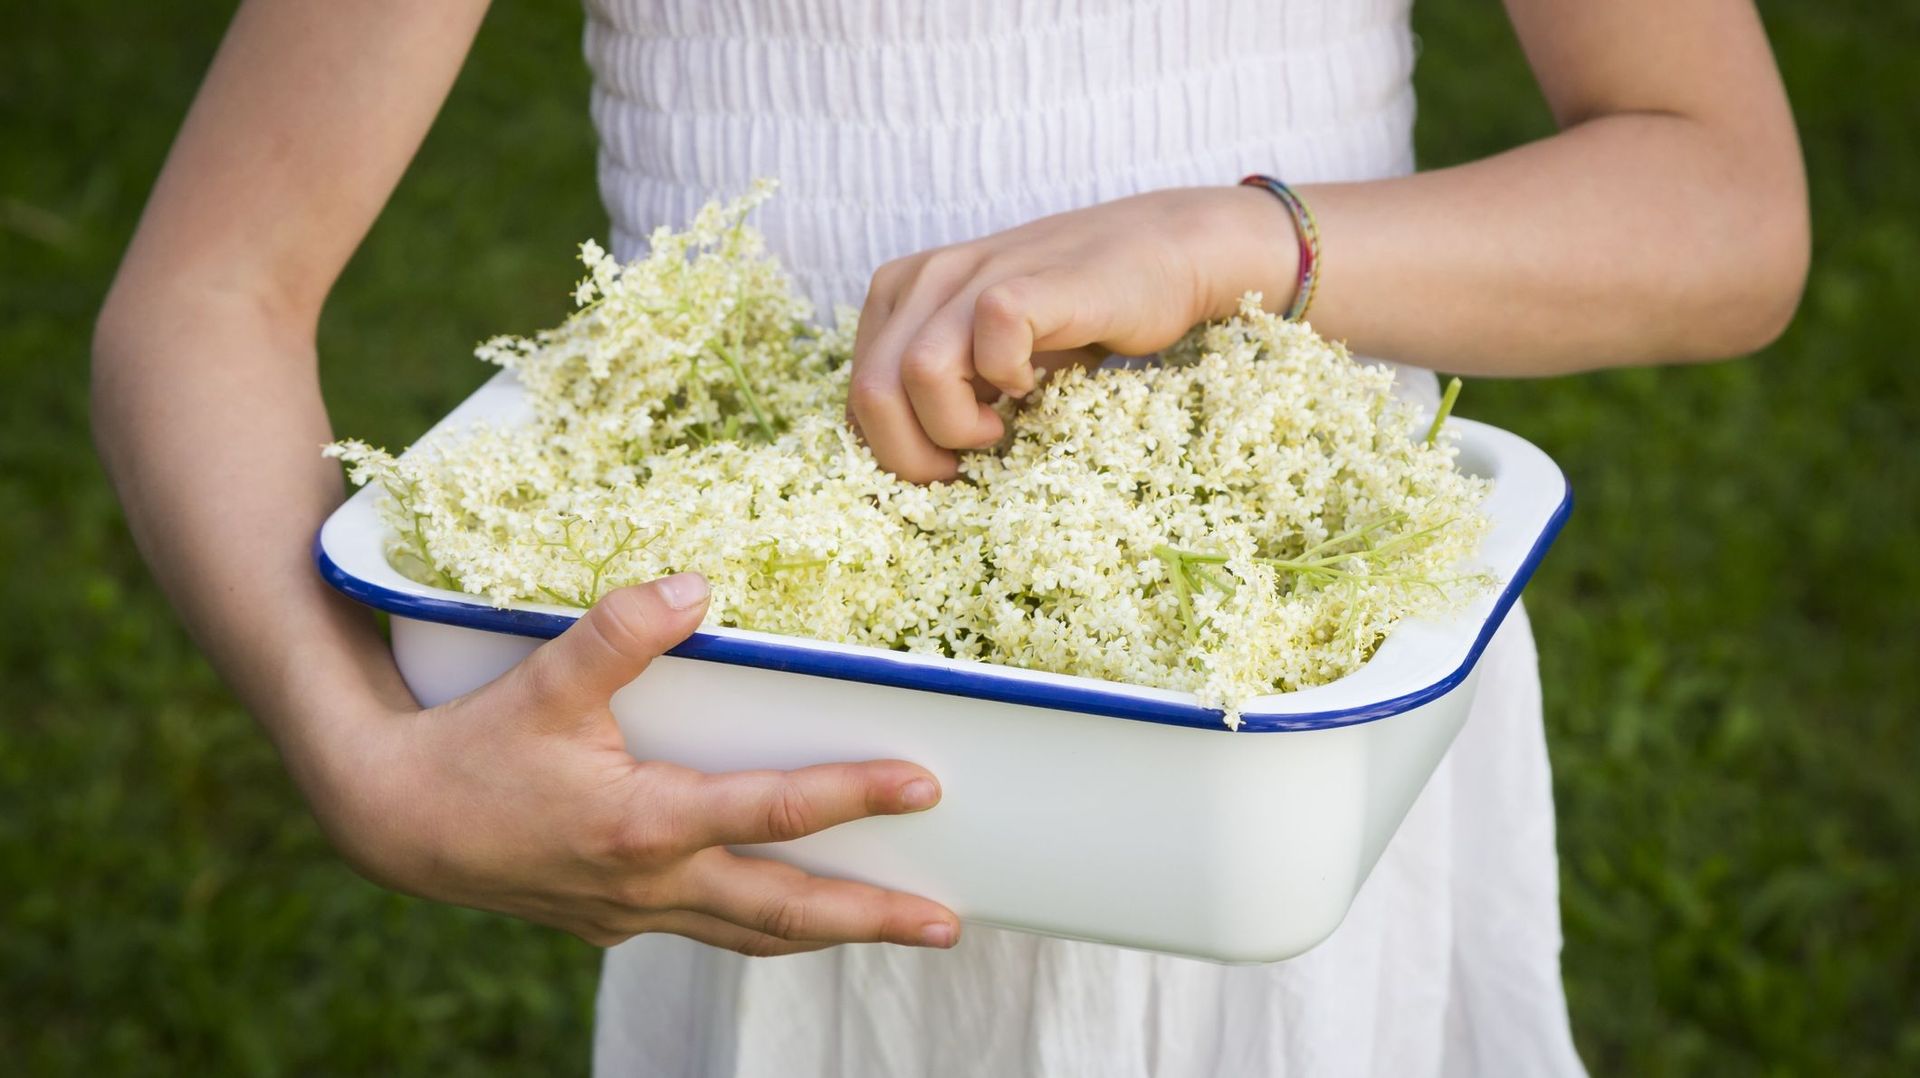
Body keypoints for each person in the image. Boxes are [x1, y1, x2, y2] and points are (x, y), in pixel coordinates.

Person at [92, 0, 1807, 1073]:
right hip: (797, 815)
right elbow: (209, 291)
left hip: (1291, 751)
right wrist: (362, 756)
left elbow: (1725, 206)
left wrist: (1228, 240)